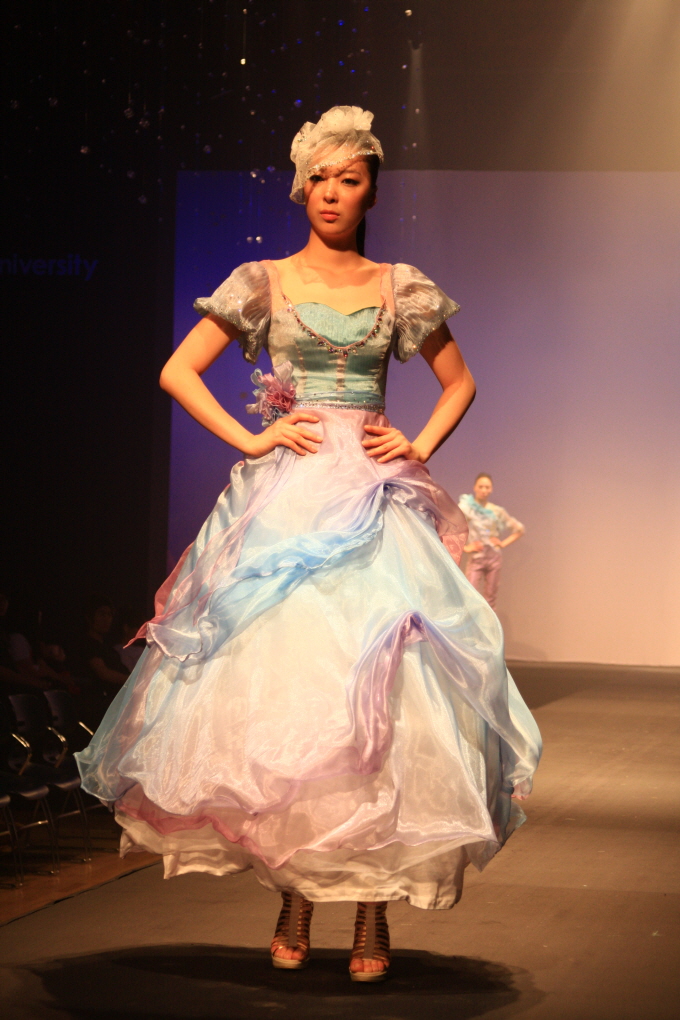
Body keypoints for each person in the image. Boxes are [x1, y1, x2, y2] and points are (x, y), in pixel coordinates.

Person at [76, 106, 541, 982]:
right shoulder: (263, 281)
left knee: (388, 697)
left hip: (374, 503)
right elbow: (178, 369)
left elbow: (460, 382)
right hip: (287, 506)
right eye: (319, 179)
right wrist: (252, 439)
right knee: (293, 698)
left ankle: (371, 912)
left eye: (349, 180)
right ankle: (295, 893)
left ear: (371, 192)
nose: (331, 193)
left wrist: (415, 444)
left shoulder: (400, 286)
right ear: (301, 188)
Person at [459, 474, 525, 610]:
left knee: (490, 599)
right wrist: (466, 547)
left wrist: (502, 543)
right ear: (475, 488)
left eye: (487, 487)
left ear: (491, 489)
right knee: (470, 597)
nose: (484, 490)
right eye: (481, 487)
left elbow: (519, 530)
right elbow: (451, 527)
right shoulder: (467, 508)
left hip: (494, 558)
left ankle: (489, 624)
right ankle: (472, 624)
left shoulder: (497, 511)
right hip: (476, 558)